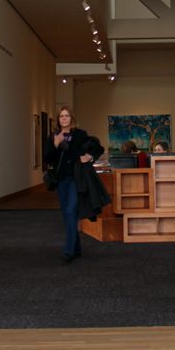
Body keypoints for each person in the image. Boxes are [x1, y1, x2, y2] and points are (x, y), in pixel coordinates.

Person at [44, 106, 101, 263]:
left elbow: (97, 147)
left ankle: (68, 250)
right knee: (67, 214)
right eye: (61, 116)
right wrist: (55, 145)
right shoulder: (53, 136)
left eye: (67, 115)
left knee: (70, 211)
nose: (64, 118)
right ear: (58, 119)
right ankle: (76, 248)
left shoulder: (80, 134)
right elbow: (48, 159)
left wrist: (89, 156)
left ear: (72, 118)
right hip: (61, 180)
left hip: (77, 178)